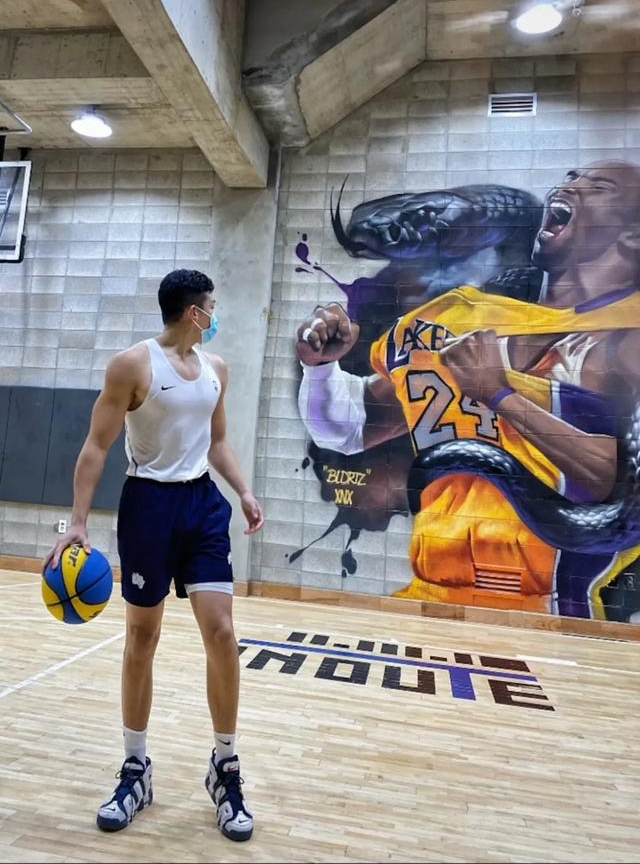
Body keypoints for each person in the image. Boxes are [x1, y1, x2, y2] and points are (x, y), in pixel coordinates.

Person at [296, 162, 640, 619]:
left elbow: (618, 491)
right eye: (571, 177)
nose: (569, 186)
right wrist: (321, 369)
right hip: (429, 597)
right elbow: (346, 429)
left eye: (597, 186)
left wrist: (501, 396)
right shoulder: (456, 318)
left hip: (544, 615)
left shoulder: (627, 340)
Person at [44, 268, 264, 841]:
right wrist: (77, 522)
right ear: (194, 312)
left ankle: (225, 766)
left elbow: (218, 440)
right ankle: (136, 767)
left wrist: (243, 491)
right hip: (148, 506)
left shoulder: (216, 368)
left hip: (203, 506)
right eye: (211, 305)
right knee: (142, 638)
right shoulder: (132, 365)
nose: (215, 314)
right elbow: (96, 445)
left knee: (223, 634)